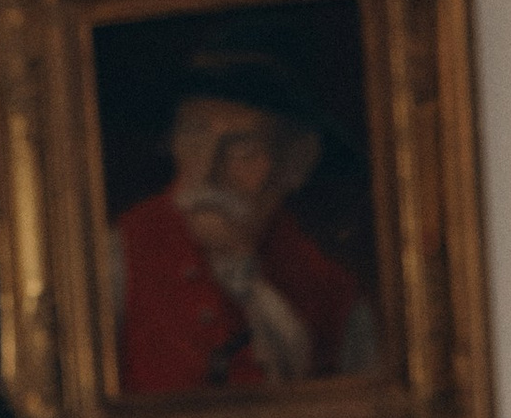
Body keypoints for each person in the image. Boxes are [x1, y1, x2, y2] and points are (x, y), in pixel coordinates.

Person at [108, 52, 379, 397]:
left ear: (297, 161)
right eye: (193, 135)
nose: (207, 171)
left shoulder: (333, 292)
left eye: (241, 146)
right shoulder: (117, 260)